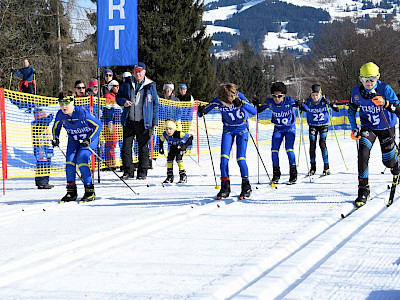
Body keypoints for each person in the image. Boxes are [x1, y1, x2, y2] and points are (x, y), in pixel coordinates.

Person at [348, 62, 400, 208]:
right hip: (368, 127)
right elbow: (351, 111)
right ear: (360, 79)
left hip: (386, 127)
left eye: (372, 79)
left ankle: (396, 163)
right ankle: (363, 189)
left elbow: (398, 109)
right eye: (365, 79)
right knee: (362, 154)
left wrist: (386, 104)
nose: (369, 83)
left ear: (378, 78)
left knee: (388, 163)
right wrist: (354, 128)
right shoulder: (356, 92)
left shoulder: (385, 89)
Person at [198, 83, 256, 199]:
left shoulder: (239, 97)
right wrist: (201, 110)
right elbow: (202, 113)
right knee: (224, 159)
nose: (225, 105)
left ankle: (246, 186)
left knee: (241, 158)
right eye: (223, 104)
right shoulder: (218, 101)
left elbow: (254, 111)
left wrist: (242, 104)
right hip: (228, 130)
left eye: (227, 103)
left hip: (241, 130)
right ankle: (225, 187)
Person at [52, 90, 103, 203]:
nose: (64, 106)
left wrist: (89, 139)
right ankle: (71, 191)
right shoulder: (60, 114)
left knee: (81, 158)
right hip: (74, 139)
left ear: (73, 102)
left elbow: (98, 125)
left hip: (88, 138)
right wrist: (55, 138)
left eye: (66, 102)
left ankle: (89, 191)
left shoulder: (81, 113)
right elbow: (56, 127)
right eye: (61, 103)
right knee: (69, 161)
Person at [256, 81, 309, 185]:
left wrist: (300, 105)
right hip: (278, 129)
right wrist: (256, 104)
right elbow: (258, 109)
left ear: (283, 95)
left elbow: (306, 109)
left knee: (289, 150)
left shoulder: (289, 101)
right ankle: (276, 174)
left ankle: (293, 173)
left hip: (289, 129)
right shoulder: (270, 102)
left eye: (279, 96)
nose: (277, 98)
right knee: (274, 151)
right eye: (274, 96)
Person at [116, 62, 159, 180]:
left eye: (139, 71)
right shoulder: (127, 83)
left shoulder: (150, 86)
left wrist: (154, 121)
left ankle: (142, 172)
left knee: (143, 147)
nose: (137, 74)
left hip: (143, 121)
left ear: (144, 72)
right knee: (126, 147)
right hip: (129, 120)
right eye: (136, 71)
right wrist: (123, 102)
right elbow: (118, 97)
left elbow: (155, 104)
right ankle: (128, 171)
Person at [304, 84, 339, 176]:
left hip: (323, 125)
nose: (315, 97)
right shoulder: (308, 101)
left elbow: (337, 109)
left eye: (317, 95)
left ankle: (326, 167)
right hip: (312, 125)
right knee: (312, 145)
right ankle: (313, 168)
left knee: (322, 143)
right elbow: (302, 108)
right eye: (313, 95)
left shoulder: (325, 100)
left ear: (320, 94)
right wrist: (300, 105)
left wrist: (330, 103)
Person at [158, 119, 193, 184]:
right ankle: (170, 176)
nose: (168, 131)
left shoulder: (179, 134)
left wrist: (185, 146)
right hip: (173, 147)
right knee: (169, 159)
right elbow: (161, 140)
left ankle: (183, 176)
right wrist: (161, 148)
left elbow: (190, 137)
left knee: (178, 159)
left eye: (170, 129)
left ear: (174, 129)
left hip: (180, 147)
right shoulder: (165, 134)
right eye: (166, 129)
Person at [32, 108, 54, 189]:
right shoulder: (36, 123)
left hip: (47, 147)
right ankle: (41, 182)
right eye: (42, 114)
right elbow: (46, 121)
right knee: (42, 165)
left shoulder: (42, 122)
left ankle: (45, 182)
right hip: (40, 148)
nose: (44, 116)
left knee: (47, 164)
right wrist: (51, 116)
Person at [102, 80, 121, 169]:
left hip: (117, 123)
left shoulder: (117, 96)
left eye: (118, 86)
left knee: (114, 142)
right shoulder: (108, 96)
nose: (117, 88)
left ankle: (112, 161)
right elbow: (107, 111)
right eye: (115, 86)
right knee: (110, 143)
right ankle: (110, 162)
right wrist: (109, 122)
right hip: (110, 124)